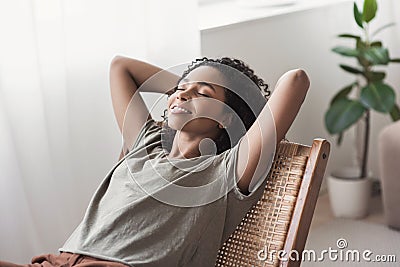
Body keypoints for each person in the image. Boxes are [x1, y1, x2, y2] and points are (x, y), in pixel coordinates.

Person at [0, 56, 309, 267]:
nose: (181, 96)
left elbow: (295, 81)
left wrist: (232, 100)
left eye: (201, 93)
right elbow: (120, 66)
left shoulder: (227, 170)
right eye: (178, 91)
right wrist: (190, 88)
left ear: (226, 119)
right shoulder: (145, 143)